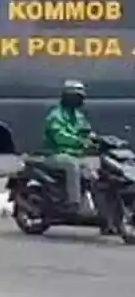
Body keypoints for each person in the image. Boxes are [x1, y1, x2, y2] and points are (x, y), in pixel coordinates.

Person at [42, 79, 93, 213]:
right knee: (72, 165)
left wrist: (97, 140)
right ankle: (73, 203)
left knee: (91, 171)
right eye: (76, 97)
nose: (79, 100)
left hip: (75, 154)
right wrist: (79, 142)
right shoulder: (56, 115)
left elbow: (86, 131)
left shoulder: (78, 116)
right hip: (55, 154)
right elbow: (59, 135)